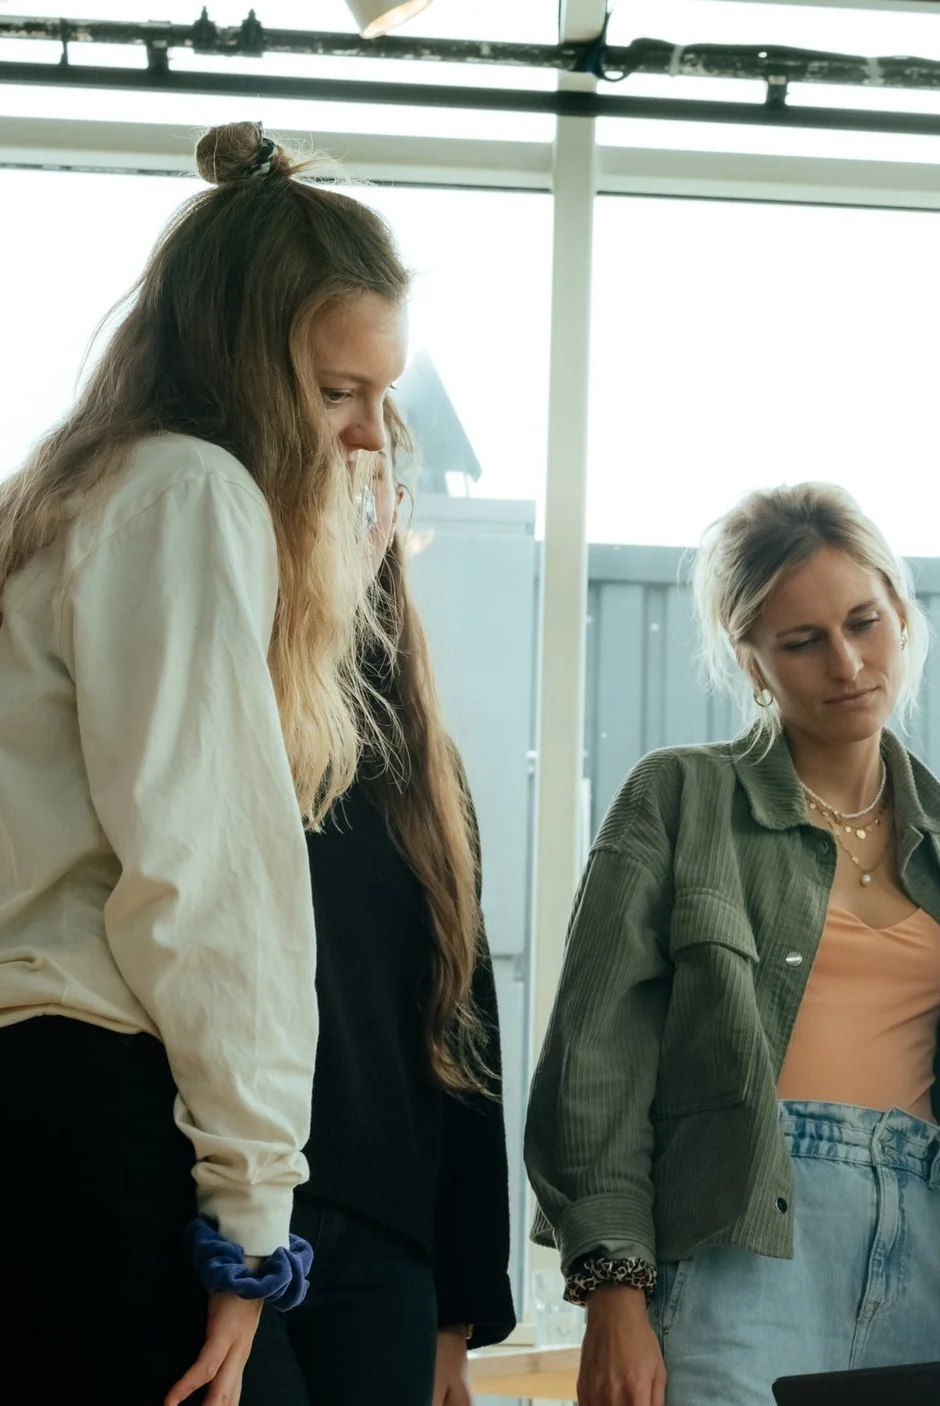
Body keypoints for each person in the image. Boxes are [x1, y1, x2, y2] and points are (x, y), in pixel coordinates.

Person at [0, 121, 408, 1406]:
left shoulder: (51, 503)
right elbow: (209, 879)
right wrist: (252, 1214)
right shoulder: (188, 494)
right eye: (338, 393)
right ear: (247, 364)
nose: (368, 438)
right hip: (80, 1115)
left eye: (381, 398)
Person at [525, 484, 940, 1406]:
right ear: (750, 660)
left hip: (935, 1254)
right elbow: (593, 1060)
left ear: (900, 614)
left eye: (864, 623)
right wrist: (614, 1290)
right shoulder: (679, 798)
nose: (847, 662)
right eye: (802, 642)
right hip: (740, 1254)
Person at [241, 432, 517, 1404]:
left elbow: (466, 1043)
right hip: (222, 1214)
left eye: (375, 502)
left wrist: (456, 1319)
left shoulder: (424, 767)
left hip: (386, 1254)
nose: (356, 523)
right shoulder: (219, 711)